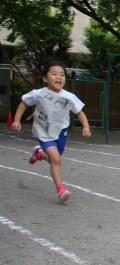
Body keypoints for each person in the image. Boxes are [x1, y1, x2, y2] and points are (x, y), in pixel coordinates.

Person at [12, 61, 91, 203]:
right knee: (56, 159)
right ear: (45, 78)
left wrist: (86, 127)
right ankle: (60, 189)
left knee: (56, 159)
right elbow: (24, 102)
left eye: (62, 75)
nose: (58, 77)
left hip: (60, 132)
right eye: (54, 74)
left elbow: (79, 112)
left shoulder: (69, 97)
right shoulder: (39, 93)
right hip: (43, 131)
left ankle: (39, 154)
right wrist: (16, 120)